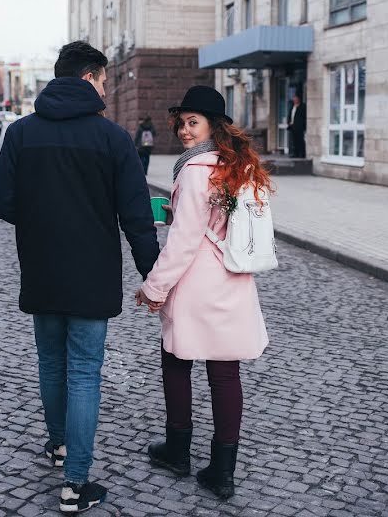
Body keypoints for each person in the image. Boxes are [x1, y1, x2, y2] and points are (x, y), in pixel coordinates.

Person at [0, 41, 159, 513]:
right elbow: (137, 217)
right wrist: (154, 275)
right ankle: (75, 484)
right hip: (91, 275)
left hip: (42, 269)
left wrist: (43, 218)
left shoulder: (21, 133)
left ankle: (59, 445)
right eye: (104, 80)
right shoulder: (112, 139)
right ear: (89, 78)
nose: (106, 88)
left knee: (50, 363)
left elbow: (3, 203)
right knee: (84, 372)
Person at [135, 85, 270, 500]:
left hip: (197, 283)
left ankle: (177, 449)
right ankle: (222, 470)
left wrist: (154, 287)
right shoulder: (239, 165)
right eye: (181, 124)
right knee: (225, 373)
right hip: (232, 281)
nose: (184, 131)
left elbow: (185, 241)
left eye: (193, 122)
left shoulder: (195, 169)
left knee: (176, 359)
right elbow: (221, 221)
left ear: (214, 126)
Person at [286, 92, 306, 158]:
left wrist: (302, 126)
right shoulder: (292, 107)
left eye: (296, 98)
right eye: (294, 98)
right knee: (294, 141)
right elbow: (290, 115)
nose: (294, 99)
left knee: (300, 140)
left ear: (298, 99)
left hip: (299, 127)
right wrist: (289, 122)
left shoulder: (302, 107)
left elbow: (303, 117)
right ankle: (295, 154)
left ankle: (302, 154)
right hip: (292, 126)